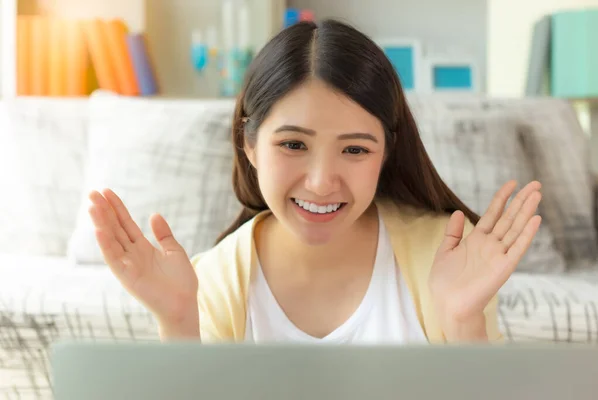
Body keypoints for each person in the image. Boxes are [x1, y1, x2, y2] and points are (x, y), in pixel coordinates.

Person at [87, 19, 542, 345]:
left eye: (355, 149)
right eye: (293, 145)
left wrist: (464, 322)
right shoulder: (214, 280)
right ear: (248, 143)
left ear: (386, 152)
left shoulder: (446, 257)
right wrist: (177, 319)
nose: (322, 183)